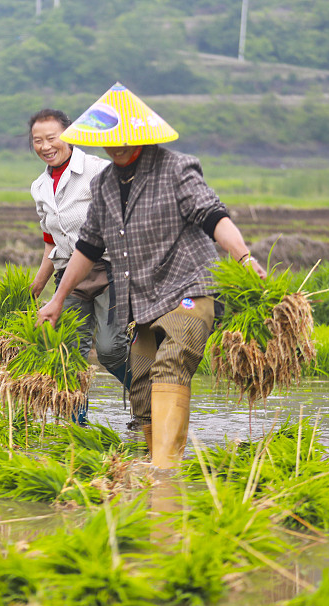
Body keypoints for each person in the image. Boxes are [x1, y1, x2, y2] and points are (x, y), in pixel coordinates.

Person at [38, 83, 265, 469]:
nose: (116, 146)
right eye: (108, 139)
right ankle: (153, 465)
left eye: (123, 137)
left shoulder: (176, 168)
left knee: (170, 364)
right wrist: (57, 298)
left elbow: (213, 215)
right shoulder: (105, 184)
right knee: (141, 385)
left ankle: (164, 471)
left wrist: (243, 257)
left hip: (189, 290)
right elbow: (87, 248)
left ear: (141, 134)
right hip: (142, 301)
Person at [27, 109, 131, 425]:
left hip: (108, 270)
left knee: (111, 348)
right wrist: (36, 285)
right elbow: (51, 242)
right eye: (37, 140)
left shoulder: (97, 171)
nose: (45, 146)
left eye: (51, 137)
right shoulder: (39, 187)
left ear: (70, 134)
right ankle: (77, 423)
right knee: (69, 355)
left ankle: (152, 397)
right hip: (68, 277)